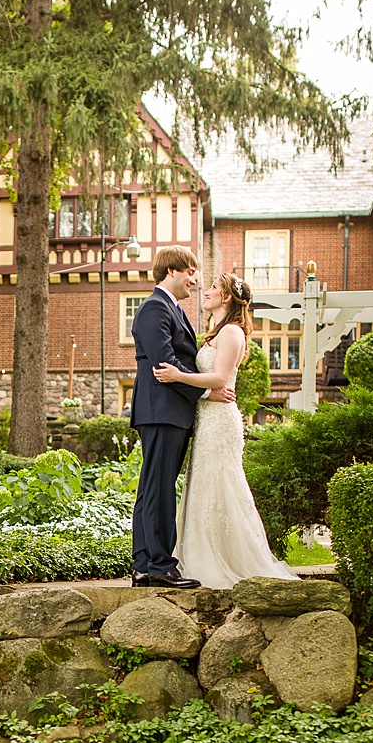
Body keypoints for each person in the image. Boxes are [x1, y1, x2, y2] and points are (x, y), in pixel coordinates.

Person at [152, 272, 299, 590]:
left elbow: (219, 378)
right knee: (203, 488)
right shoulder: (214, 333)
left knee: (221, 487)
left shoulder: (232, 332)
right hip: (206, 420)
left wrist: (178, 375)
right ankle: (198, 556)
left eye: (213, 288)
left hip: (220, 422)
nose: (205, 291)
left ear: (227, 297)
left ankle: (227, 560)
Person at [129, 248, 237, 588]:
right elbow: (166, 365)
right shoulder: (154, 308)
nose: (194, 280)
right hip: (161, 410)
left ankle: (145, 566)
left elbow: (180, 363)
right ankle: (159, 566)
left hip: (171, 411)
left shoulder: (172, 309)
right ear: (171, 271)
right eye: (190, 272)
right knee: (158, 487)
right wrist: (206, 392)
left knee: (153, 486)